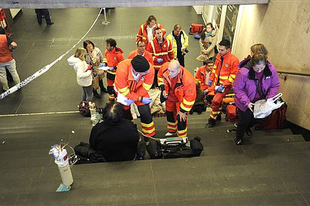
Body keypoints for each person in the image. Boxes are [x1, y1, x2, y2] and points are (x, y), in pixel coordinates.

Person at [233, 53, 280, 145]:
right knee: (244, 120)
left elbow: (275, 85)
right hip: (245, 100)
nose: (259, 71)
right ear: (252, 64)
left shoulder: (271, 70)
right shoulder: (243, 72)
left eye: (261, 68)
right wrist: (247, 102)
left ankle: (248, 127)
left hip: (261, 100)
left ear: (265, 65)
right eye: (256, 68)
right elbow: (237, 88)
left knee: (258, 118)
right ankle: (239, 137)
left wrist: (269, 99)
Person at [115, 55, 156, 137]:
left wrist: (138, 98)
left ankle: (149, 134)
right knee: (125, 113)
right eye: (145, 73)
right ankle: (130, 131)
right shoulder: (122, 69)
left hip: (140, 91)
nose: (148, 72)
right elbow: (124, 90)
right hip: (124, 92)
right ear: (136, 71)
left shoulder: (149, 69)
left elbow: (146, 86)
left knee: (145, 111)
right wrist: (138, 98)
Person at [206, 39, 239, 128]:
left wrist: (223, 85)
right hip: (217, 84)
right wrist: (211, 79)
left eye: (222, 50)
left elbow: (233, 76)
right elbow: (214, 68)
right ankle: (219, 115)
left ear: (228, 50)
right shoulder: (219, 56)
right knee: (218, 101)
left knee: (215, 101)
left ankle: (212, 120)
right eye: (219, 49)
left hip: (225, 85)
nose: (219, 51)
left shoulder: (234, 60)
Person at [158, 60, 196, 137]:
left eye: (172, 71)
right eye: (169, 71)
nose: (169, 73)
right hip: (170, 97)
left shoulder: (188, 80)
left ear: (178, 70)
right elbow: (160, 77)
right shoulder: (165, 67)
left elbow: (190, 97)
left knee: (181, 118)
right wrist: (163, 89)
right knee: (169, 114)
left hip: (180, 100)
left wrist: (183, 111)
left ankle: (182, 136)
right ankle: (171, 131)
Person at [0, 27, 20, 92]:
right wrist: (11, 49)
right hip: (9, 58)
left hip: (0, 61)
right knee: (13, 72)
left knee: (2, 75)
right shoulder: (4, 37)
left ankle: (5, 88)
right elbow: (14, 44)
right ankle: (18, 85)